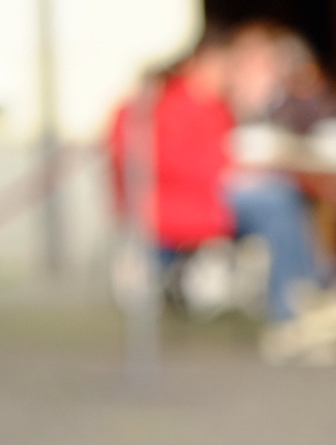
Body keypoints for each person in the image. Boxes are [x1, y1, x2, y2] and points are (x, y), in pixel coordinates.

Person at [108, 24, 321, 327]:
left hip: (206, 195)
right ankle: (293, 304)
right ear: (203, 63)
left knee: (283, 195)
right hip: (180, 203)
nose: (228, 76)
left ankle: (303, 293)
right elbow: (174, 163)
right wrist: (230, 172)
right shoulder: (169, 104)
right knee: (277, 202)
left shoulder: (213, 104)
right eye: (225, 67)